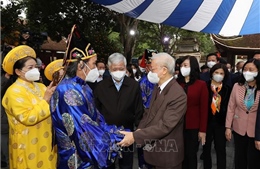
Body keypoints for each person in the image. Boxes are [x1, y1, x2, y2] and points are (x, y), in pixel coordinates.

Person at [50, 25, 127, 169]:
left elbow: (96, 119)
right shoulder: (68, 90)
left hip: (85, 159)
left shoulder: (83, 86)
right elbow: (84, 130)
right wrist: (114, 139)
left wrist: (116, 132)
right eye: (93, 64)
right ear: (80, 65)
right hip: (76, 161)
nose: (96, 69)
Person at [118, 52, 187, 169]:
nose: (149, 72)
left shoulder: (177, 94)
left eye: (152, 69)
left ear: (164, 70)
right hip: (154, 152)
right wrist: (140, 129)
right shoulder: (158, 87)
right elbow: (148, 112)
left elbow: (165, 126)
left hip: (167, 156)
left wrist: (135, 136)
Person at [1, 45, 57, 169]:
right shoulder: (14, 92)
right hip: (27, 144)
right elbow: (28, 118)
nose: (35, 70)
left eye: (36, 67)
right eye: (30, 67)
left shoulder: (41, 87)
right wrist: (46, 99)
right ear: (18, 71)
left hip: (47, 142)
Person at [94, 53, 144, 169]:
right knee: (107, 164)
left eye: (121, 69)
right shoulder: (100, 87)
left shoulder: (133, 85)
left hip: (127, 134)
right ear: (109, 68)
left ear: (125, 68)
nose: (118, 71)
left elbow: (138, 110)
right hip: (105, 135)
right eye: (114, 69)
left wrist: (139, 132)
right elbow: (96, 111)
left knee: (126, 165)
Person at [225, 58, 260, 169]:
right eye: (245, 69)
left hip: (255, 131)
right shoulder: (237, 86)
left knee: (254, 160)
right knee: (240, 159)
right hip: (239, 129)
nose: (247, 72)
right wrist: (228, 127)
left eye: (251, 69)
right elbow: (231, 107)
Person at [177, 55, 208, 169]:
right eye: (181, 66)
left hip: (193, 126)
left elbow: (204, 109)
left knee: (191, 155)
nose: (182, 68)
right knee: (179, 155)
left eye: (185, 65)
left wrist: (202, 130)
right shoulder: (176, 83)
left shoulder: (201, 84)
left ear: (193, 67)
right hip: (177, 125)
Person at [203, 63, 231, 169]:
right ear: (212, 73)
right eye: (216, 72)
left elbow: (230, 107)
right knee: (206, 148)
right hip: (206, 122)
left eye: (221, 73)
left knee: (221, 149)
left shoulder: (227, 89)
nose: (218, 75)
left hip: (221, 123)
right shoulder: (204, 85)